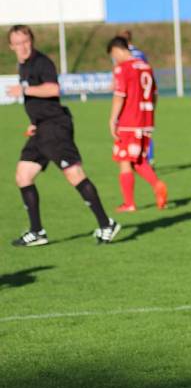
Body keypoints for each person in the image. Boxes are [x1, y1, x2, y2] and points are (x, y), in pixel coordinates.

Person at [6, 25, 120, 246]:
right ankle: (37, 232)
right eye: (18, 43)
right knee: (23, 175)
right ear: (11, 46)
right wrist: (32, 122)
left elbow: (53, 89)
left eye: (26, 41)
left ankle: (107, 224)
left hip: (55, 127)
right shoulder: (23, 65)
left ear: (32, 40)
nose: (23, 46)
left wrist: (25, 91)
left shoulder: (41, 62)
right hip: (40, 128)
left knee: (74, 174)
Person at [106, 36, 168, 212]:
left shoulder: (122, 68)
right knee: (139, 160)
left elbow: (120, 95)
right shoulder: (146, 67)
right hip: (145, 121)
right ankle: (157, 185)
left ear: (117, 50)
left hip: (128, 122)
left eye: (113, 55)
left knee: (124, 160)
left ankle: (129, 203)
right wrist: (150, 113)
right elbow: (155, 94)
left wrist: (113, 119)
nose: (114, 59)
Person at [117, 29, 155, 164]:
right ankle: (149, 158)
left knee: (128, 132)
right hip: (146, 99)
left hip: (131, 100)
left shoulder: (123, 56)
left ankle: (133, 159)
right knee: (145, 131)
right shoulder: (141, 54)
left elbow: (121, 80)